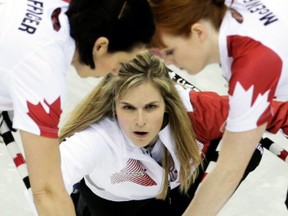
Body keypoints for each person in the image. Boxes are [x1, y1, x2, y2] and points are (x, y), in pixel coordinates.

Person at [59, 51, 288, 215]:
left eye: (151, 107)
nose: (140, 122)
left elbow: (277, 111)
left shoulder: (198, 111)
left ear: (168, 103)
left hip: (176, 189)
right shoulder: (97, 138)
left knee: (248, 141)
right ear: (113, 105)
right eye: (128, 107)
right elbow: (50, 183)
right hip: (115, 205)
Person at [0, 0, 155, 215]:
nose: (114, 73)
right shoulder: (44, 79)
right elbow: (47, 192)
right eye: (119, 64)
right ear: (100, 46)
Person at [148, 0, 288, 215]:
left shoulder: (250, 71)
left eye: (169, 52)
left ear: (197, 32)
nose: (167, 62)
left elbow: (227, 173)